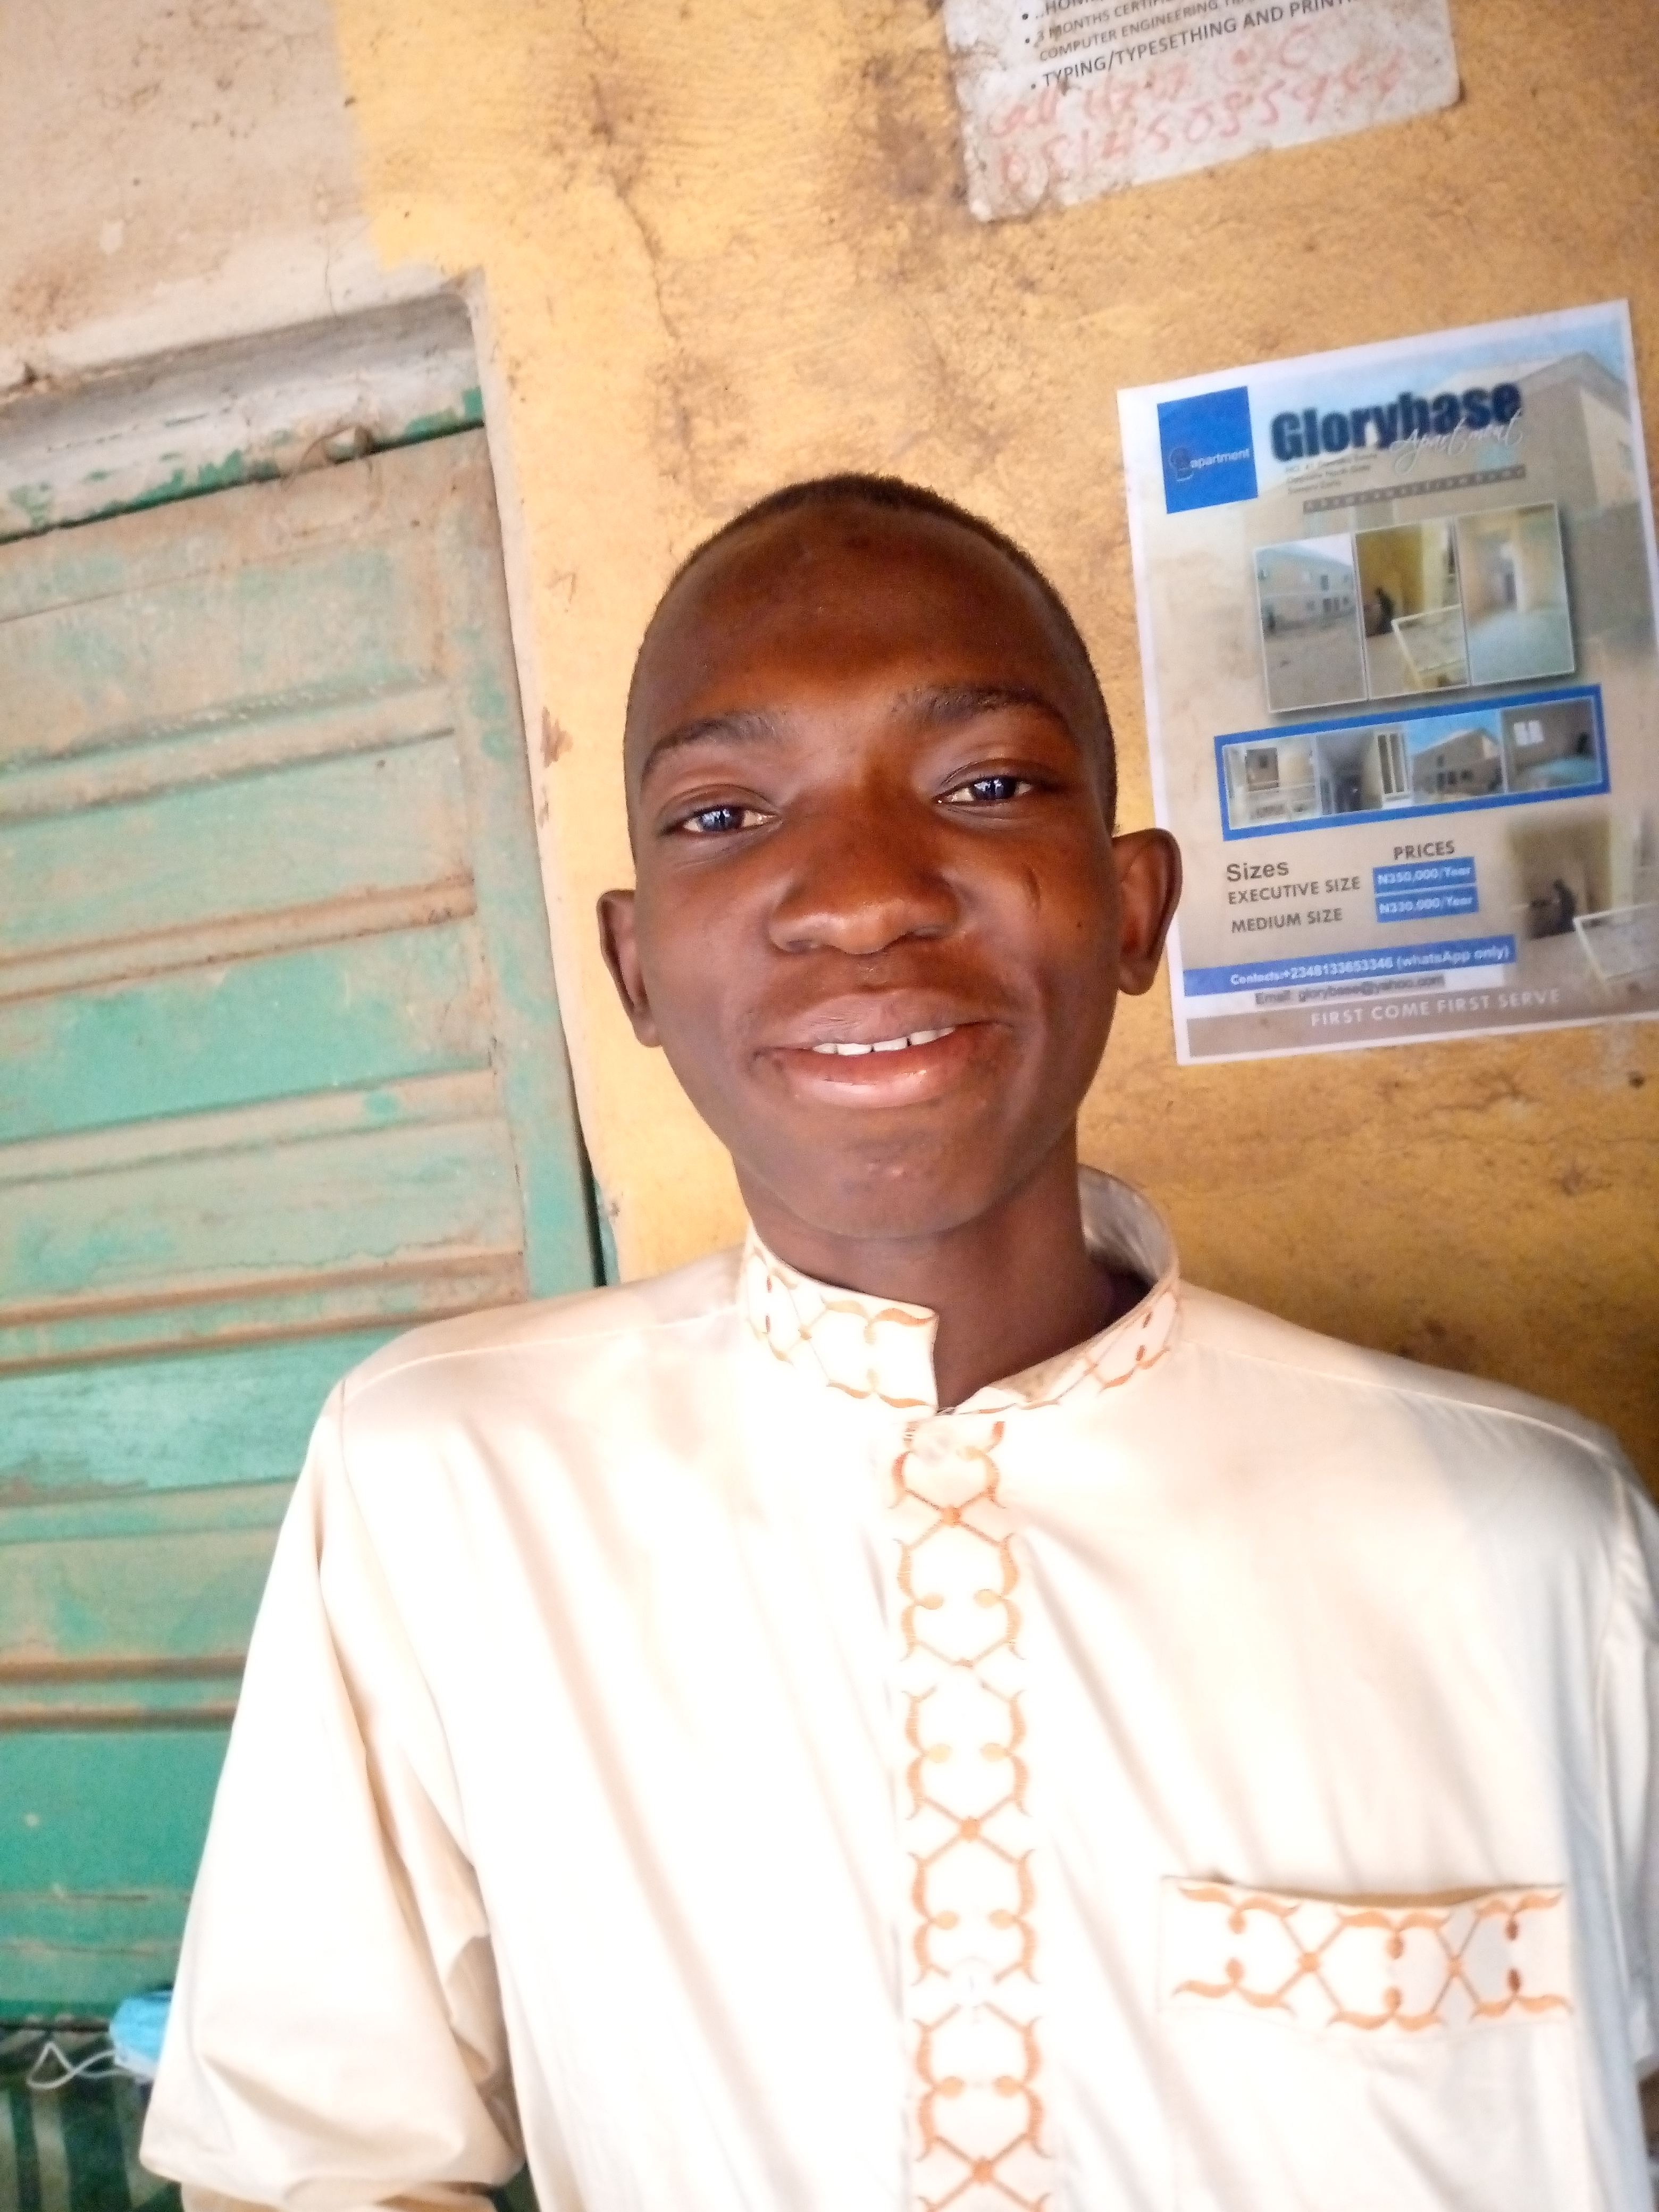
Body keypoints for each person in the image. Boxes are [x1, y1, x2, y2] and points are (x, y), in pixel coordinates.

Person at [144, 476, 1658, 2212]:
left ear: (1134, 907)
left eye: (989, 786)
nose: (862, 898)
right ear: (634, 970)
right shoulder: (448, 1486)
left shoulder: (1534, 1539)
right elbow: (316, 2168)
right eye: (724, 814)